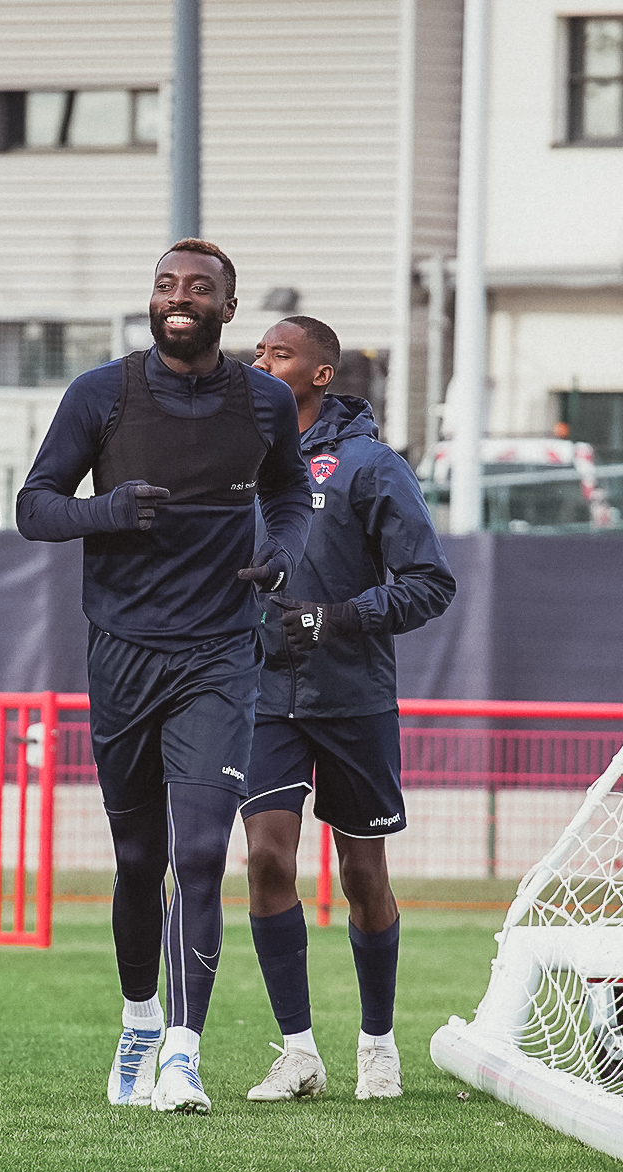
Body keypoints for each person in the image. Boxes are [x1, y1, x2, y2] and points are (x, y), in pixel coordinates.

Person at [16, 239, 312, 1113]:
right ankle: (141, 1020)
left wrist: (283, 555)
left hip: (221, 652)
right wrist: (107, 509)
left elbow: (289, 496)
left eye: (199, 289)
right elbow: (34, 506)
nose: (178, 298)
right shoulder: (101, 394)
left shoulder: (262, 401)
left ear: (228, 307)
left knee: (197, 854)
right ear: (151, 302)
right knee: (139, 859)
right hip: (121, 651)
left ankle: (183, 1055)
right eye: (165, 285)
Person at [239, 316, 454, 1104]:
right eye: (258, 352)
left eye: (280, 354)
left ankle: (377, 1043)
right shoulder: (238, 460)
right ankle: (298, 1051)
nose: (262, 362)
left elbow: (430, 583)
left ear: (321, 374)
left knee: (364, 875)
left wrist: (338, 617)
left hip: (353, 696)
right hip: (262, 696)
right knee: (265, 859)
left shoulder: (370, 464)